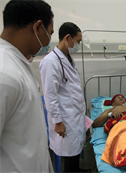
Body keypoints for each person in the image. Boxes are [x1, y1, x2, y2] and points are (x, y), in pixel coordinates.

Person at [0, 0, 54, 172]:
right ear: (37, 28)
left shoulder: (19, 63)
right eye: (50, 33)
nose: (49, 40)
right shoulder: (4, 73)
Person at [40, 22, 89, 173]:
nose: (79, 45)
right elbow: (50, 95)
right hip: (64, 117)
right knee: (69, 152)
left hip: (73, 115)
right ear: (68, 38)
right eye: (78, 41)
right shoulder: (50, 62)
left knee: (74, 150)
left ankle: (77, 170)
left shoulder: (67, 58)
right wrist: (58, 121)